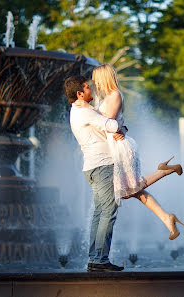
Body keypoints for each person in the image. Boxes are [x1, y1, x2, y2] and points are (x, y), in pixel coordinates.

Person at [92, 64, 184, 240]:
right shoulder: (108, 98)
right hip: (115, 147)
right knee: (133, 191)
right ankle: (167, 218)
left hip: (121, 149)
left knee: (130, 189)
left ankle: (166, 170)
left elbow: (108, 124)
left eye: (97, 79)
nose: (95, 83)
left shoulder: (114, 95)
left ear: (104, 78)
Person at [66, 75, 124, 272]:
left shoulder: (78, 111)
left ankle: (95, 258)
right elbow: (112, 125)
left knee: (100, 213)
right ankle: (99, 260)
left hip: (93, 167)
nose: (91, 89)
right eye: (87, 88)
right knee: (108, 212)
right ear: (79, 94)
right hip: (102, 166)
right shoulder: (84, 113)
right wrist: (122, 127)